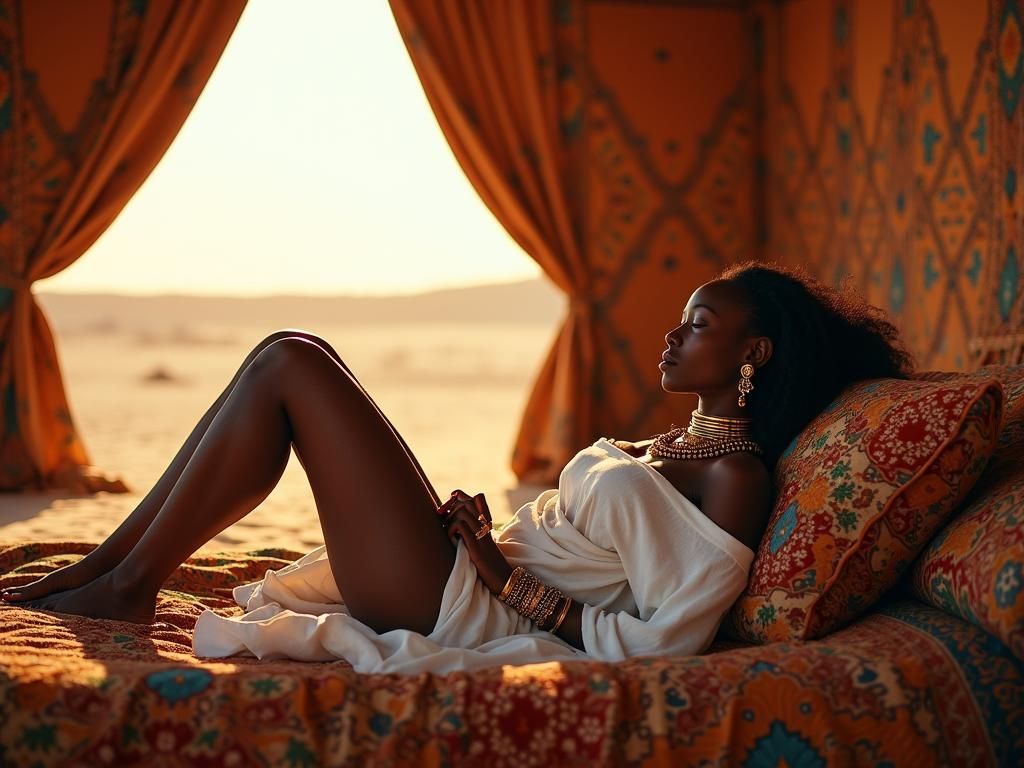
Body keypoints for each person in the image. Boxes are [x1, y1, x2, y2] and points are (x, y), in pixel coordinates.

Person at [0, 261, 914, 674]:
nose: (674, 334)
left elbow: (668, 638)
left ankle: (123, 581)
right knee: (282, 356)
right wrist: (487, 535)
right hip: (459, 567)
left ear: (753, 351)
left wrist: (504, 578)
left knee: (294, 359)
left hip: (458, 604)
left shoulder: (738, 478)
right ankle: (106, 574)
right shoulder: (678, 444)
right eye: (681, 316)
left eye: (702, 324)